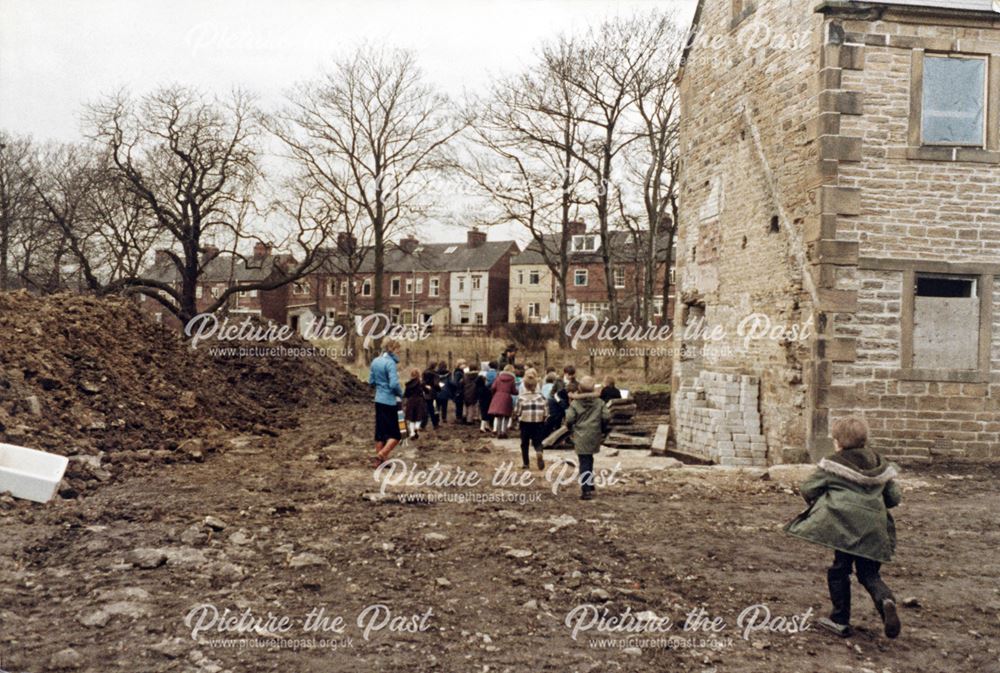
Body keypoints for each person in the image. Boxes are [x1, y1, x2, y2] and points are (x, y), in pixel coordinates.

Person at [784, 417, 902, 639]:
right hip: (874, 530)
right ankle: (886, 601)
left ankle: (839, 620)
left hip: (844, 526)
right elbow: (894, 498)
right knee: (869, 574)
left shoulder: (832, 464)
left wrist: (821, 502)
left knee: (840, 570)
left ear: (837, 442)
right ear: (865, 440)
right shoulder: (879, 464)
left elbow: (808, 488)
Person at [564, 375, 610, 500]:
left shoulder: (575, 403)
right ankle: (590, 484)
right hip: (594, 433)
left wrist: (569, 427)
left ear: (580, 388)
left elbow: (569, 418)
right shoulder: (599, 402)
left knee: (583, 461)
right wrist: (603, 427)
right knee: (589, 458)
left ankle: (586, 490)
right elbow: (606, 416)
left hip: (580, 434)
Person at [369, 339, 403, 466]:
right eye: (398, 349)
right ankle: (382, 454)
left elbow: (371, 381)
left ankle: (380, 463)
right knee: (397, 434)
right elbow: (394, 384)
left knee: (380, 432)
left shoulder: (375, 361)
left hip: (378, 400)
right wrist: (401, 393)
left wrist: (380, 385)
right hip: (390, 401)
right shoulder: (390, 363)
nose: (399, 352)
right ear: (392, 349)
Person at [514, 375, 547, 470]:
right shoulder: (542, 397)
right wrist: (543, 419)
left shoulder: (521, 398)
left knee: (524, 443)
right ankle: (539, 451)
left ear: (524, 385)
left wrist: (517, 417)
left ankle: (526, 463)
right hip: (538, 423)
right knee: (538, 442)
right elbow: (546, 412)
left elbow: (517, 412)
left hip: (525, 423)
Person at [488, 364, 518, 438]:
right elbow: (514, 391)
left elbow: (493, 387)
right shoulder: (512, 379)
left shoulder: (498, 377)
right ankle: (504, 432)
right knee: (506, 416)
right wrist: (516, 392)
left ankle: (498, 432)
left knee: (499, 416)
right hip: (507, 397)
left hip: (497, 397)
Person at [403, 368, 426, 439]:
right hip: (419, 401)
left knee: (411, 418)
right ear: (419, 374)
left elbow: (406, 394)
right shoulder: (421, 382)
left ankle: (412, 433)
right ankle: (417, 427)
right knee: (419, 417)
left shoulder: (408, 384)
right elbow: (426, 391)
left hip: (410, 401)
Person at [421, 365, 440, 430]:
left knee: (427, 409)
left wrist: (425, 387)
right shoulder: (435, 374)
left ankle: (423, 425)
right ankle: (435, 424)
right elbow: (436, 384)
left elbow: (422, 383)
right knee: (433, 409)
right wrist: (439, 389)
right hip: (432, 393)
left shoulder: (424, 372)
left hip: (425, 393)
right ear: (434, 367)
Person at [451, 359, 468, 423]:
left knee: (460, 405)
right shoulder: (458, 373)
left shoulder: (460, 372)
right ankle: (458, 418)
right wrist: (462, 381)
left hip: (460, 390)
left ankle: (459, 417)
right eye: (463, 364)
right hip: (458, 391)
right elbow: (456, 383)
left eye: (465, 364)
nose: (464, 365)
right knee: (459, 405)